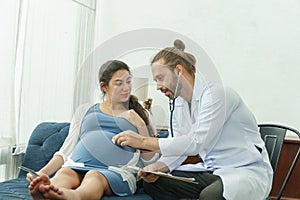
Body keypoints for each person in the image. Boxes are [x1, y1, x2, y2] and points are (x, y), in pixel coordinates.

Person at [112, 40, 273, 200]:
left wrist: (142, 141)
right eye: (156, 81)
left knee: (210, 196)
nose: (158, 86)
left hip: (244, 172)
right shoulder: (179, 103)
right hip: (213, 171)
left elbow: (196, 142)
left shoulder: (217, 94)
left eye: (161, 78)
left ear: (179, 71)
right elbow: (178, 148)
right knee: (154, 183)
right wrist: (156, 168)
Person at [27, 60, 159, 200]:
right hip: (76, 165)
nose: (126, 88)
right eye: (119, 83)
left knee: (94, 177)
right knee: (64, 174)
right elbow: (65, 152)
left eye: (128, 81)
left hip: (115, 171)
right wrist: (41, 173)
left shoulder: (141, 113)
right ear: (104, 87)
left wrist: (140, 125)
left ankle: (74, 196)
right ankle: (45, 191)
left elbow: (150, 162)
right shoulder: (85, 111)